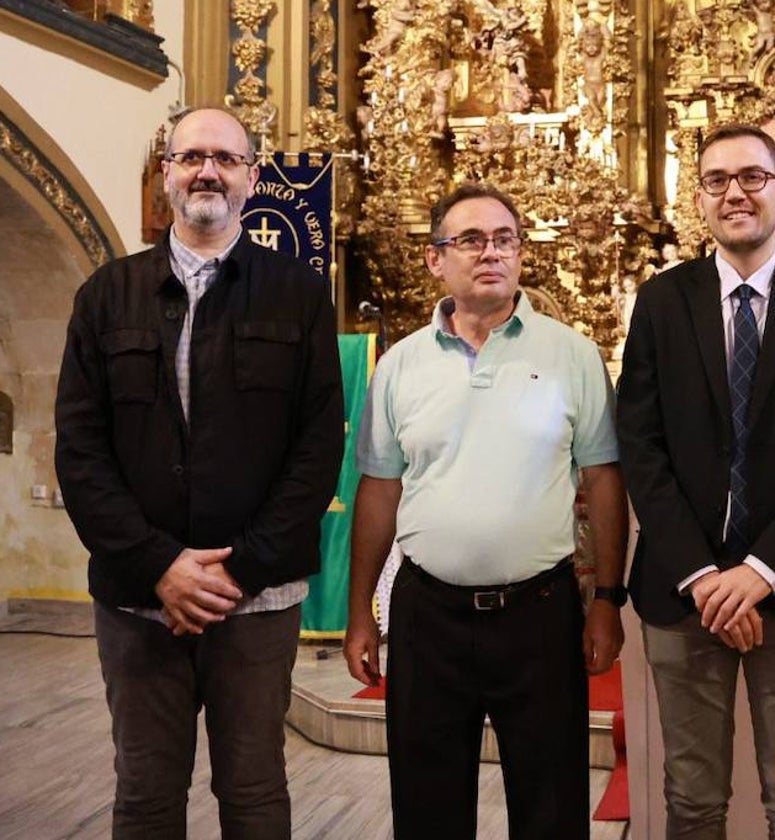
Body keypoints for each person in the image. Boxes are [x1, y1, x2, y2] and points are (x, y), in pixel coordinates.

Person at [54, 106, 344, 838]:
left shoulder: (298, 294)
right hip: (137, 603)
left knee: (253, 793)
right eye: (189, 157)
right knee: (146, 795)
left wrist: (233, 573)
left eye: (223, 157)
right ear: (167, 174)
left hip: (256, 603)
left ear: (252, 175)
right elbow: (80, 452)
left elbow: (316, 453)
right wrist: (160, 567)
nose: (206, 170)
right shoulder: (105, 296)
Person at [343, 182, 628, 840]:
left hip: (540, 613)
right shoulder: (400, 366)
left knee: (551, 802)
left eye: (505, 239)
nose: (491, 252)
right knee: (427, 804)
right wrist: (360, 610)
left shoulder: (572, 355)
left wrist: (607, 599)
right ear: (434, 259)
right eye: (471, 239)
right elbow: (380, 489)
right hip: (427, 615)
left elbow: (604, 480)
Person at [618, 123, 775, 840]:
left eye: (752, 177)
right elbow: (641, 445)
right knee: (692, 800)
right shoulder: (662, 302)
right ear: (698, 198)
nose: (735, 193)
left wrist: (758, 573)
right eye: (717, 180)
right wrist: (704, 575)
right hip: (682, 590)